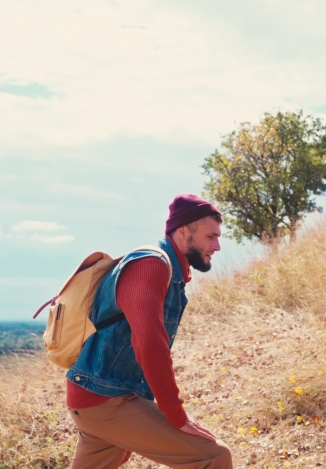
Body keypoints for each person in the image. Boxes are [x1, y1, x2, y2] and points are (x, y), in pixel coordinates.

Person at [65, 194, 233, 469]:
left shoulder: (168, 270)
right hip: (106, 399)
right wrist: (176, 416)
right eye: (210, 236)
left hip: (96, 396)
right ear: (182, 231)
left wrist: (136, 420)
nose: (217, 246)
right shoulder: (152, 265)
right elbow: (149, 344)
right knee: (213, 457)